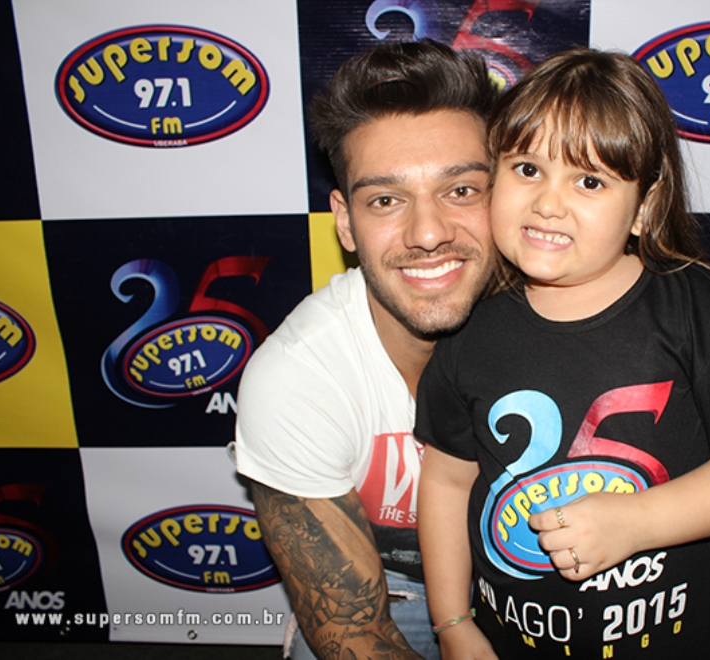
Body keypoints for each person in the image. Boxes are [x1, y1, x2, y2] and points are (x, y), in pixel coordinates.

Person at [414, 48, 710, 660]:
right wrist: (452, 624)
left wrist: (638, 521)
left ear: (645, 207)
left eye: (590, 181)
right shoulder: (469, 327)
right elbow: (446, 480)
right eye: (527, 169)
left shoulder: (692, 305)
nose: (549, 202)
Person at [233, 39, 497, 659]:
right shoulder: (298, 377)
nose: (428, 233)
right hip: (398, 591)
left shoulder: (576, 313)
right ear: (346, 221)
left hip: (541, 582)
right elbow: (352, 631)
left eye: (461, 190)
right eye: (385, 200)